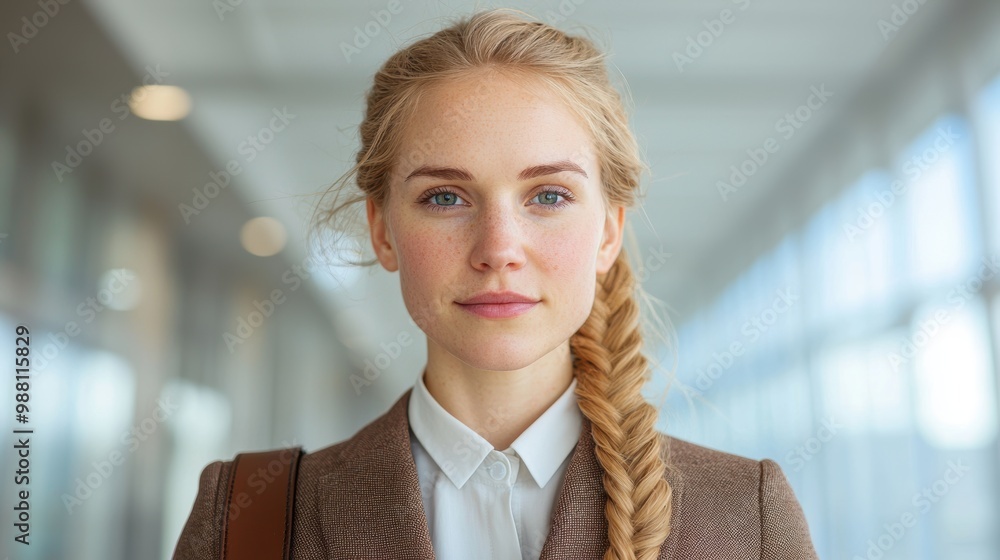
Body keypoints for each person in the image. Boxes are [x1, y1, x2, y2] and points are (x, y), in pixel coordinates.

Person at [173, 8, 819, 559]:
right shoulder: (246, 522)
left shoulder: (745, 521)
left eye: (547, 194)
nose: (498, 250)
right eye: (446, 197)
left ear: (608, 232)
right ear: (383, 231)